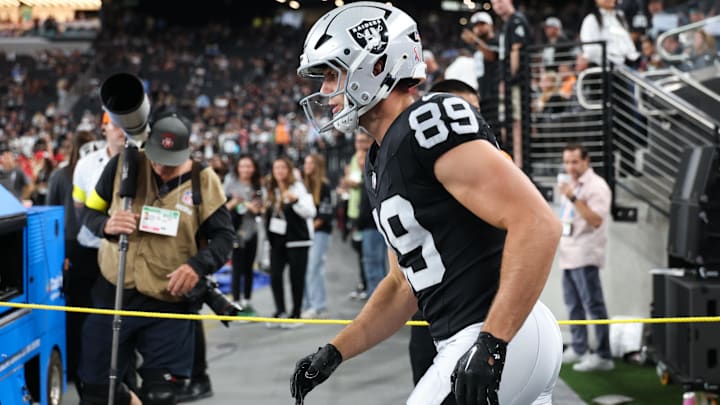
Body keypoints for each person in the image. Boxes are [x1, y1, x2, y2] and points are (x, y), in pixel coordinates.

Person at [291, 3, 563, 405]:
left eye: (333, 74)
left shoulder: (429, 121)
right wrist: (336, 351)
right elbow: (403, 284)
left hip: (493, 331)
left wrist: (492, 342)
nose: (326, 91)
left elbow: (538, 223)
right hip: (490, 335)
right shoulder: (380, 158)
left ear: (376, 65)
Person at [76, 112, 234, 405]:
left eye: (170, 162)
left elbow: (225, 238)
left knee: (160, 395)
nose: (161, 168)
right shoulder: (123, 165)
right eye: (156, 159)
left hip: (168, 301)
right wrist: (105, 226)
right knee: (98, 392)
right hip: (114, 294)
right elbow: (88, 212)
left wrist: (197, 266)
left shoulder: (204, 180)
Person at [44, 129, 95, 392]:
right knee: (80, 312)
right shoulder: (64, 175)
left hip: (82, 248)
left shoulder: (92, 173)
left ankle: (81, 367)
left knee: (81, 312)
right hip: (74, 248)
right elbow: (52, 212)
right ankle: (80, 367)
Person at [557, 143, 614, 372]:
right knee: (573, 306)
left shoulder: (596, 186)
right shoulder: (570, 185)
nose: (570, 166)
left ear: (586, 161)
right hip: (568, 251)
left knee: (594, 305)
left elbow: (596, 219)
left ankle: (603, 354)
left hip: (585, 254)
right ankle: (579, 347)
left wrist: (572, 198)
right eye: (567, 161)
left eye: (574, 161)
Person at [264, 156, 316, 326]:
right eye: (276, 168)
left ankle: (296, 314)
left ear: (289, 170)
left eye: (282, 167)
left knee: (296, 278)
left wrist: (295, 201)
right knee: (275, 276)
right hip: (276, 242)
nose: (279, 171)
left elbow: (310, 211)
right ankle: (280, 311)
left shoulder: (298, 187)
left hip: (297, 240)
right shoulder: (270, 190)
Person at [491, 0, 532, 168]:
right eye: (494, 3)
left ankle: (518, 165)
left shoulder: (517, 20)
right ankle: (514, 163)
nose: (497, 6)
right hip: (508, 83)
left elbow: (516, 49)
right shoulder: (506, 24)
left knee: (515, 123)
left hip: (515, 83)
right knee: (508, 122)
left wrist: (510, 77)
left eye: (500, 1)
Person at [223, 154, 264, 315]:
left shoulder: (257, 185)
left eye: (249, 166)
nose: (246, 169)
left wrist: (246, 204)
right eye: (243, 166)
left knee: (249, 267)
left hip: (252, 230)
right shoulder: (230, 184)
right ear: (238, 168)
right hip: (236, 231)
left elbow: (259, 209)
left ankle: (247, 300)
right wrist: (235, 202)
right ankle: (236, 301)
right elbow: (223, 208)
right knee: (236, 268)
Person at [301, 153, 334, 319]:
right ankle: (307, 304)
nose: (306, 166)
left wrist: (308, 228)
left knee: (314, 267)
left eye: (310, 163)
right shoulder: (303, 185)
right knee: (306, 268)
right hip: (305, 233)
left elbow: (325, 214)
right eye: (305, 163)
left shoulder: (324, 186)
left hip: (320, 233)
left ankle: (318, 305)